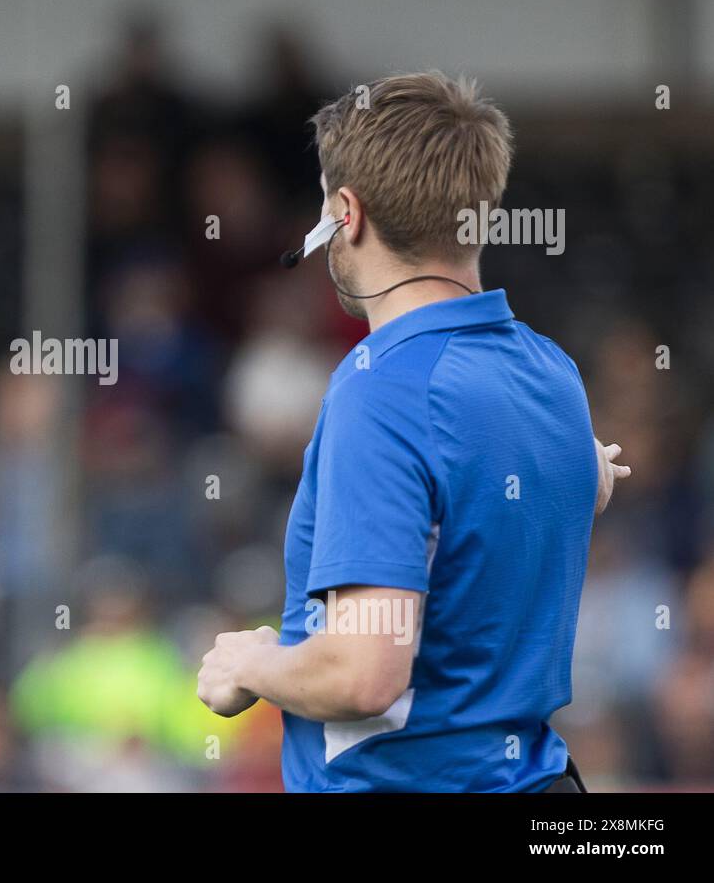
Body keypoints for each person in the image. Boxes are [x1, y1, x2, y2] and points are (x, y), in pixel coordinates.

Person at [197, 71, 630, 792]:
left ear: (346, 212)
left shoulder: (380, 392)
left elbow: (367, 675)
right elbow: (510, 508)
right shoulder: (552, 374)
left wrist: (254, 664)